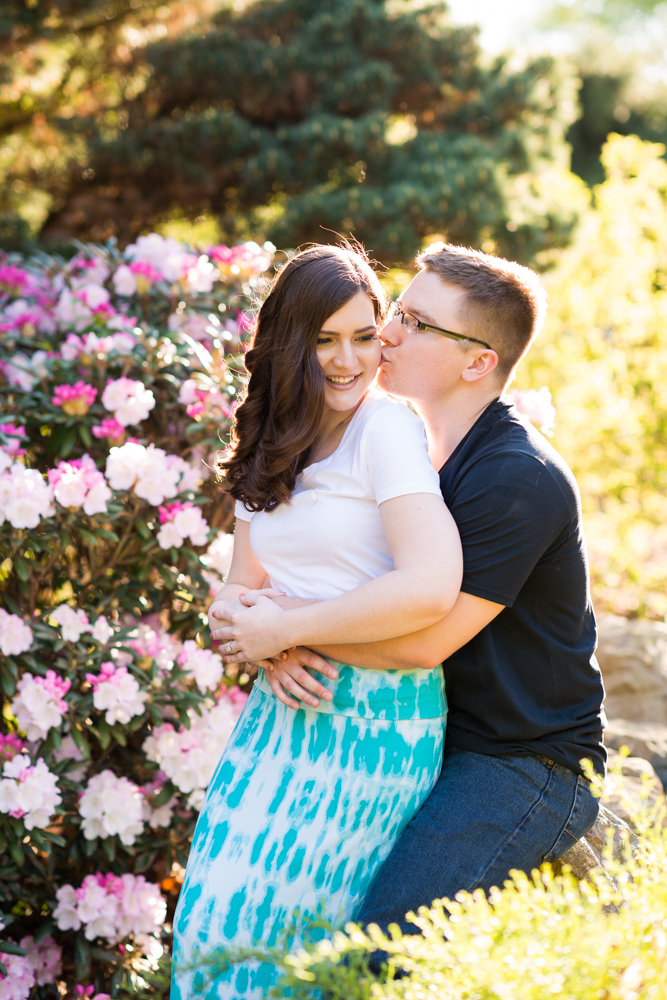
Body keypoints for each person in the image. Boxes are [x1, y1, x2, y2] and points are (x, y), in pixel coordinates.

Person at [216, 242, 606, 972]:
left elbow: (425, 639)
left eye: (415, 323)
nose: (386, 333)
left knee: (375, 958)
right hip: (425, 737)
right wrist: (268, 631)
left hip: (518, 764)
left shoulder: (517, 477)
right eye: (396, 312)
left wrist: (283, 633)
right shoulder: (408, 446)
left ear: (476, 362)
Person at [171, 243, 463, 999]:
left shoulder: (386, 432)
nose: (346, 361)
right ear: (287, 343)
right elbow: (234, 596)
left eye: (365, 337)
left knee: (285, 960)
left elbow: (431, 583)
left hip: (373, 724)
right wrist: (261, 638)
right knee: (210, 933)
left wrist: (289, 627)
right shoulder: (272, 441)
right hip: (278, 715)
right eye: (323, 340)